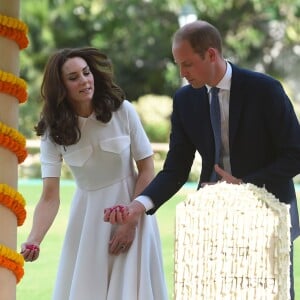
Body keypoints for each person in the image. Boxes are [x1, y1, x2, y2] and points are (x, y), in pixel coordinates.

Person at [104, 21, 300, 299]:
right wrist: (138, 206)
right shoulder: (184, 100)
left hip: (268, 216)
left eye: (187, 64)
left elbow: (295, 154)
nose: (182, 74)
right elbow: (175, 169)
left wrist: (245, 184)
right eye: (178, 65)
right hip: (212, 219)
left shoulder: (265, 90)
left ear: (211, 54)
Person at [21, 47, 168, 300]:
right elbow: (49, 197)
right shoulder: (51, 132)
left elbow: (146, 169)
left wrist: (131, 219)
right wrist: (34, 239)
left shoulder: (123, 111)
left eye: (86, 73)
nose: (84, 81)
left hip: (132, 210)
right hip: (88, 222)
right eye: (73, 77)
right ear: (61, 87)